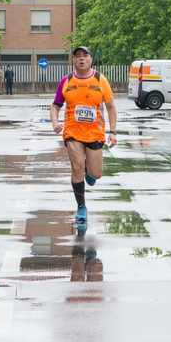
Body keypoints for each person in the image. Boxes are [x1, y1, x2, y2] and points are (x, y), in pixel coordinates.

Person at [50, 46, 117, 233]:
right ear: (73, 60)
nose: (81, 59)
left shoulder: (100, 80)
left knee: (96, 174)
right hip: (72, 132)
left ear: (90, 59)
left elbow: (111, 107)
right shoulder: (66, 80)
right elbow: (55, 105)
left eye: (85, 56)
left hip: (95, 133)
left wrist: (113, 132)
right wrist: (55, 122)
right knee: (76, 166)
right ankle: (81, 207)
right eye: (77, 56)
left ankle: (90, 172)